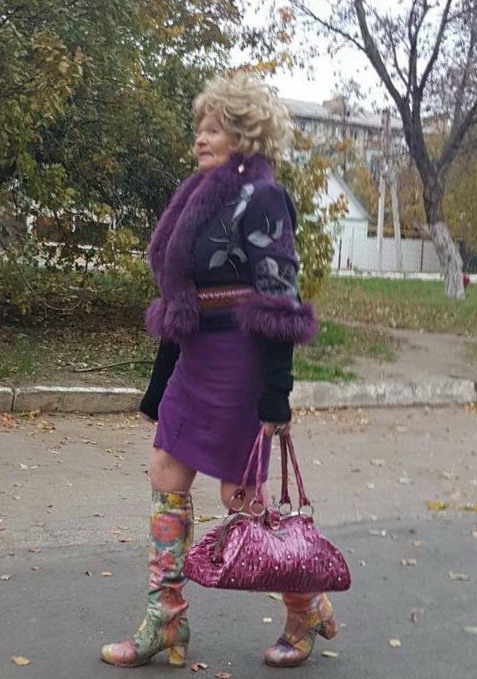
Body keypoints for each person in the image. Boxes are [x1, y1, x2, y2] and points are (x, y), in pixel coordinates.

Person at [100, 72, 337, 670]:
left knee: (241, 495)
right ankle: (165, 620)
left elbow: (280, 296)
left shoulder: (263, 198)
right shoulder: (196, 196)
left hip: (241, 359)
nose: (199, 139)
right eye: (198, 128)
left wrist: (276, 393)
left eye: (213, 129)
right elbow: (180, 294)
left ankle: (304, 605)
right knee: (164, 469)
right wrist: (159, 384)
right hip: (196, 356)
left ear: (244, 134)